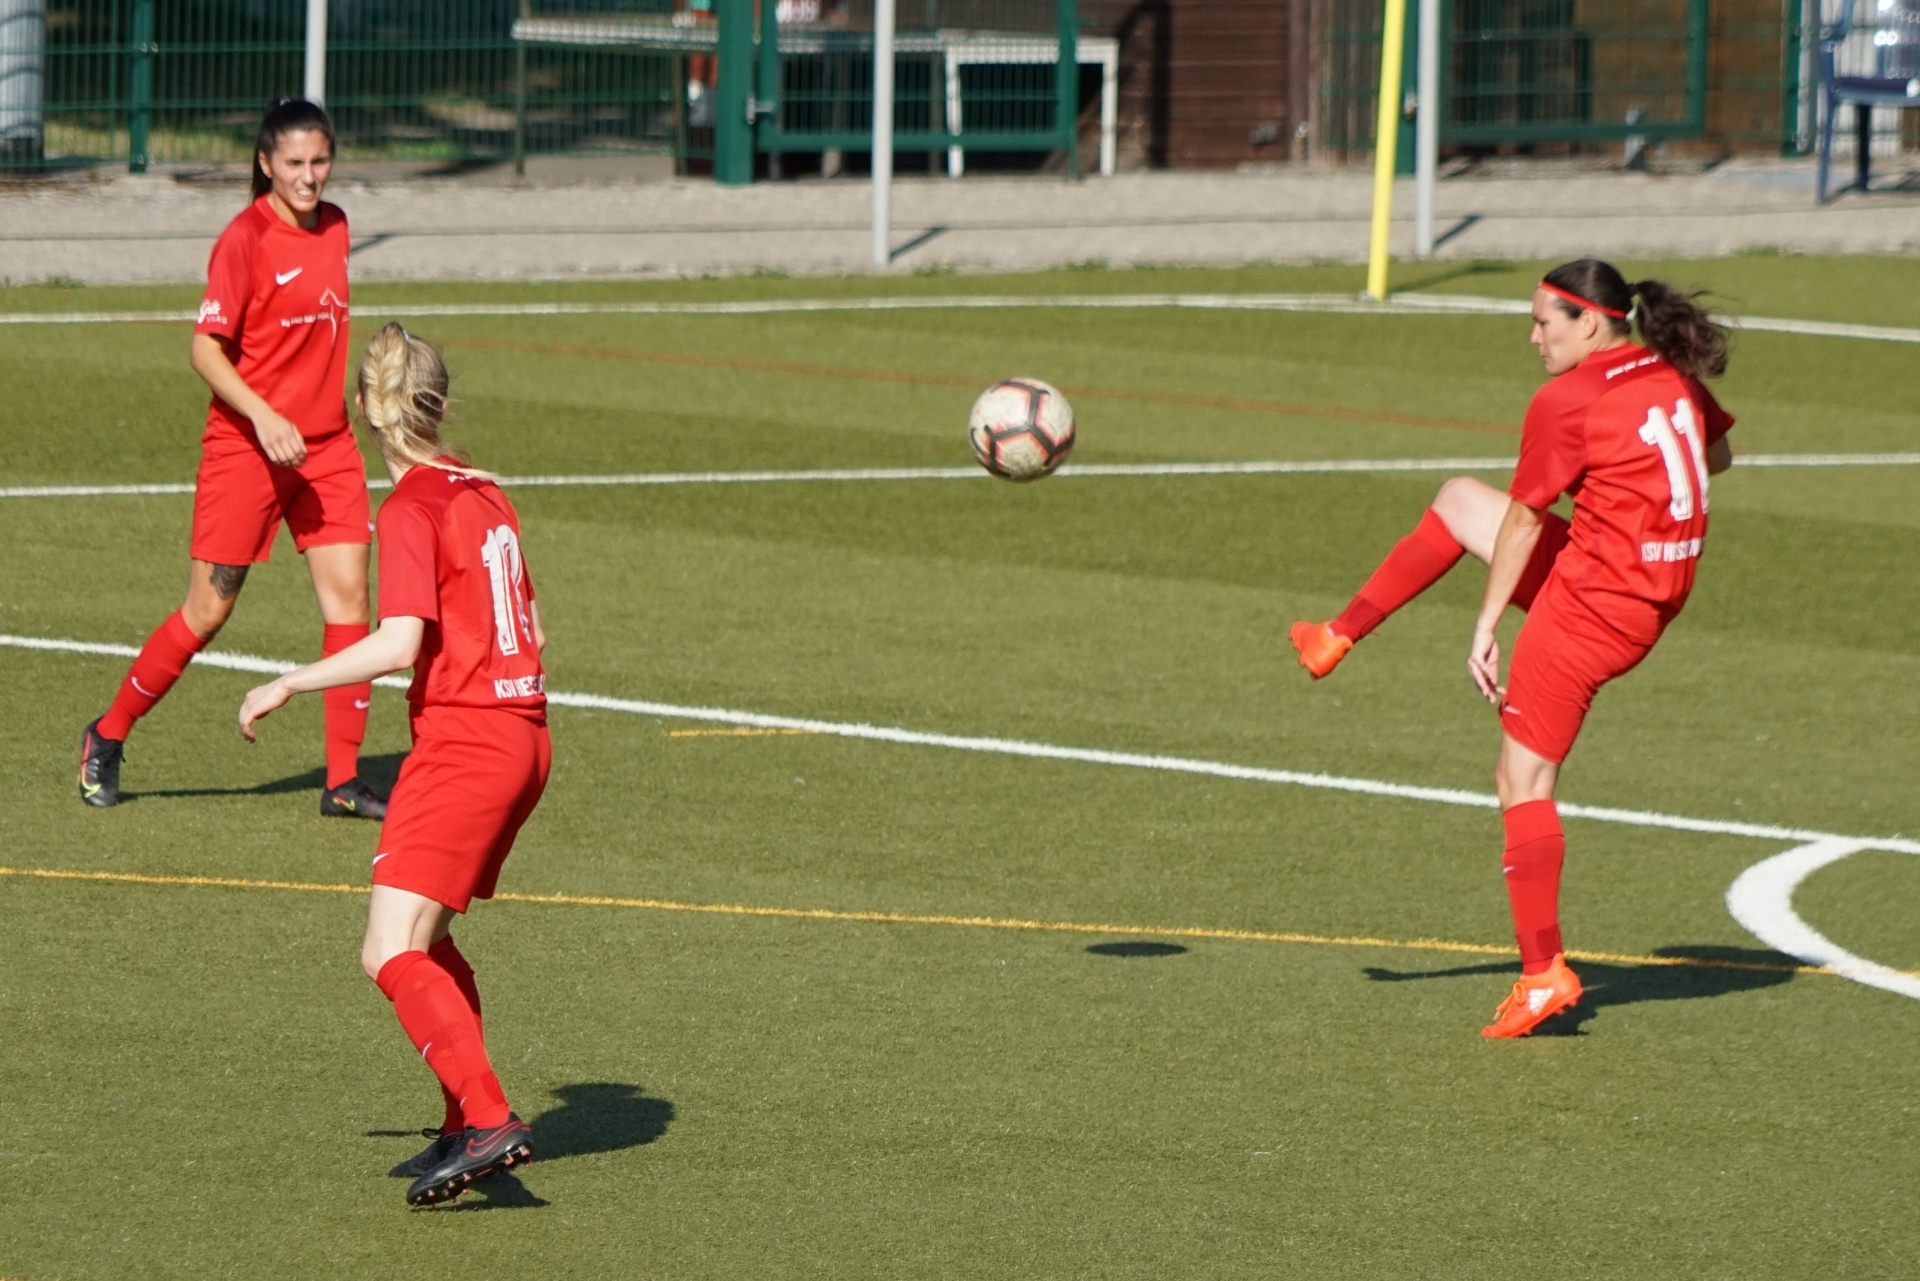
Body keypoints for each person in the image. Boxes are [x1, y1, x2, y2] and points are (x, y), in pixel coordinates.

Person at [1288, 258, 1735, 1039]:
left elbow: (1526, 522)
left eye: (1542, 322)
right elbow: (1716, 457)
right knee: (1461, 499)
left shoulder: (1568, 399)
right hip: (1645, 584)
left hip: (1594, 609)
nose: (1532, 337)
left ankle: (1541, 973)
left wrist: (1487, 624)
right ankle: (1337, 633)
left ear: (1588, 321)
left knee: (1520, 779)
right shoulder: (1667, 373)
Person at [238, 324, 549, 1205]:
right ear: (438, 402)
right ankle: (461, 1124)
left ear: (366, 412)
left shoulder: (411, 506)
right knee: (429, 938)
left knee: (386, 948)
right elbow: (527, 621)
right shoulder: (485, 490)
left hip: (467, 743)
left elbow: (400, 641)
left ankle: (488, 1117)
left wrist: (291, 680)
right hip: (525, 735)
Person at [79, 98, 383, 818]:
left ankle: (342, 782)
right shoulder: (244, 241)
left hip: (327, 449)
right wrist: (265, 415)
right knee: (207, 611)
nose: (309, 176)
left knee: (351, 602)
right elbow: (204, 350)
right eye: (295, 163)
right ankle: (107, 733)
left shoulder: (338, 226)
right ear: (265, 163)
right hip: (247, 449)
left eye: (320, 161)